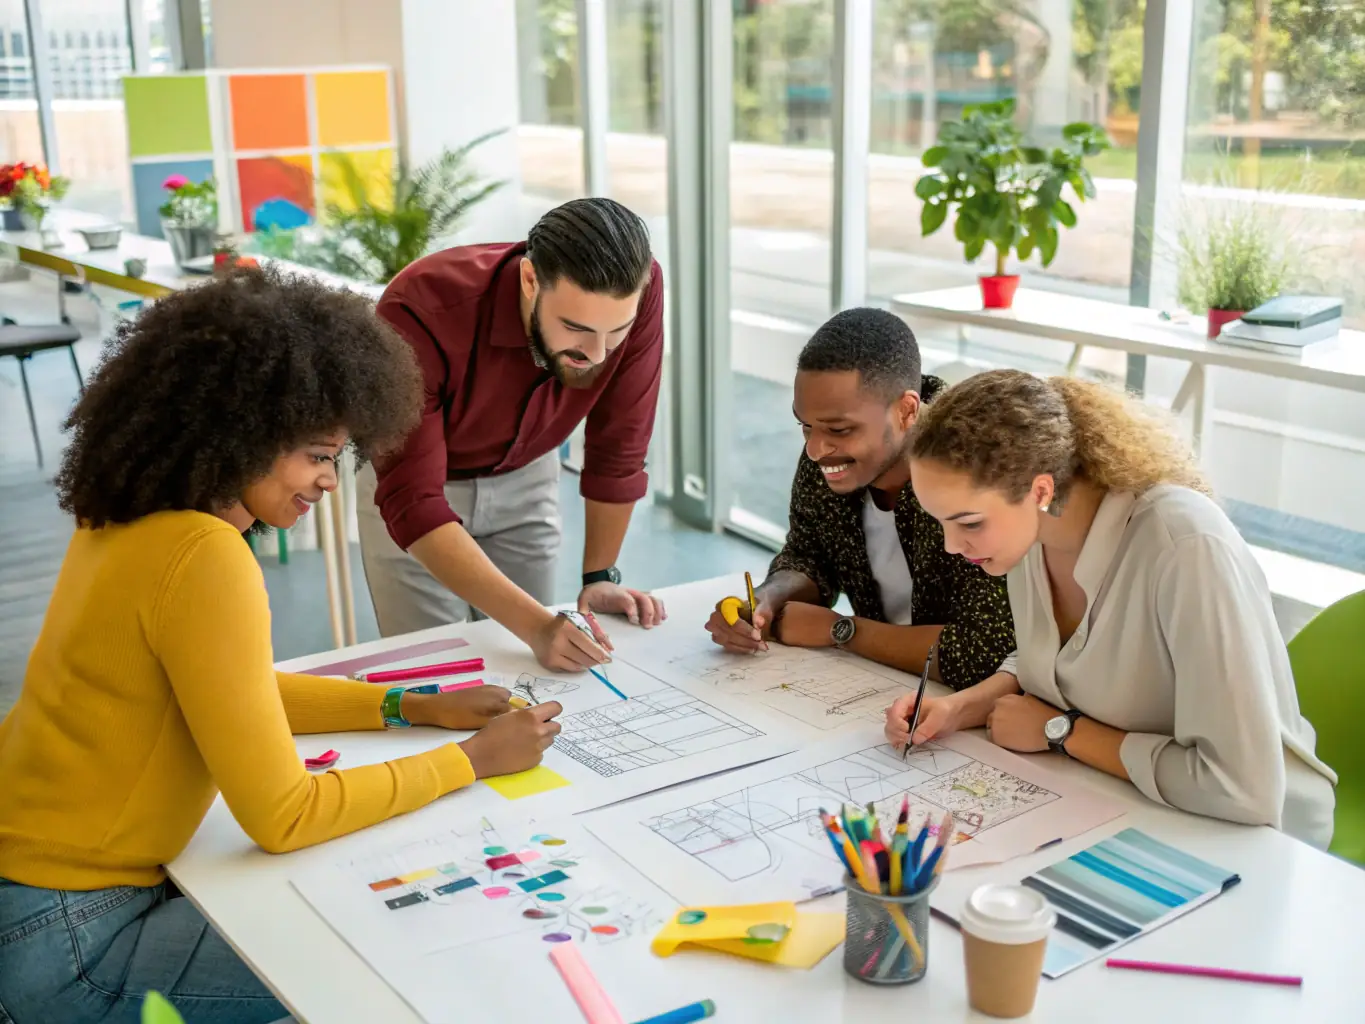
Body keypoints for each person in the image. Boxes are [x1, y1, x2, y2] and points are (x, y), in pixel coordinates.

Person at [0, 268, 564, 1024]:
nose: (331, 481)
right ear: (241, 433)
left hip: (33, 901)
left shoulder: (128, 516)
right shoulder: (205, 555)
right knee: (397, 932)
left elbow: (235, 691)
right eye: (315, 454)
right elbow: (285, 815)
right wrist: (473, 760)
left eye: (338, 457)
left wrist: (413, 706)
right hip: (76, 948)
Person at [886, 368, 1336, 847]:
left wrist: (1061, 732)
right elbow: (1061, 661)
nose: (953, 546)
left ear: (1040, 491)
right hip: (1127, 803)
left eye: (968, 523)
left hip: (1260, 840)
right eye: (941, 524)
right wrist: (959, 708)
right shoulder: (1024, 539)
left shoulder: (1183, 544)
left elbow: (1242, 789)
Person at [359, 197, 667, 673]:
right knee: (435, 675)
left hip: (528, 475)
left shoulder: (640, 286)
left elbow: (620, 444)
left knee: (529, 673)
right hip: (418, 491)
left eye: (616, 332)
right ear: (529, 280)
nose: (599, 354)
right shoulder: (419, 308)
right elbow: (413, 500)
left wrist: (600, 575)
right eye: (575, 328)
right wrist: (540, 627)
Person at [704, 308, 1015, 691]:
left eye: (839, 429)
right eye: (805, 425)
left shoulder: (975, 475)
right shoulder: (829, 459)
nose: (816, 450)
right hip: (880, 690)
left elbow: (983, 654)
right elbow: (810, 555)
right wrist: (768, 600)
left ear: (906, 411)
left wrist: (841, 630)